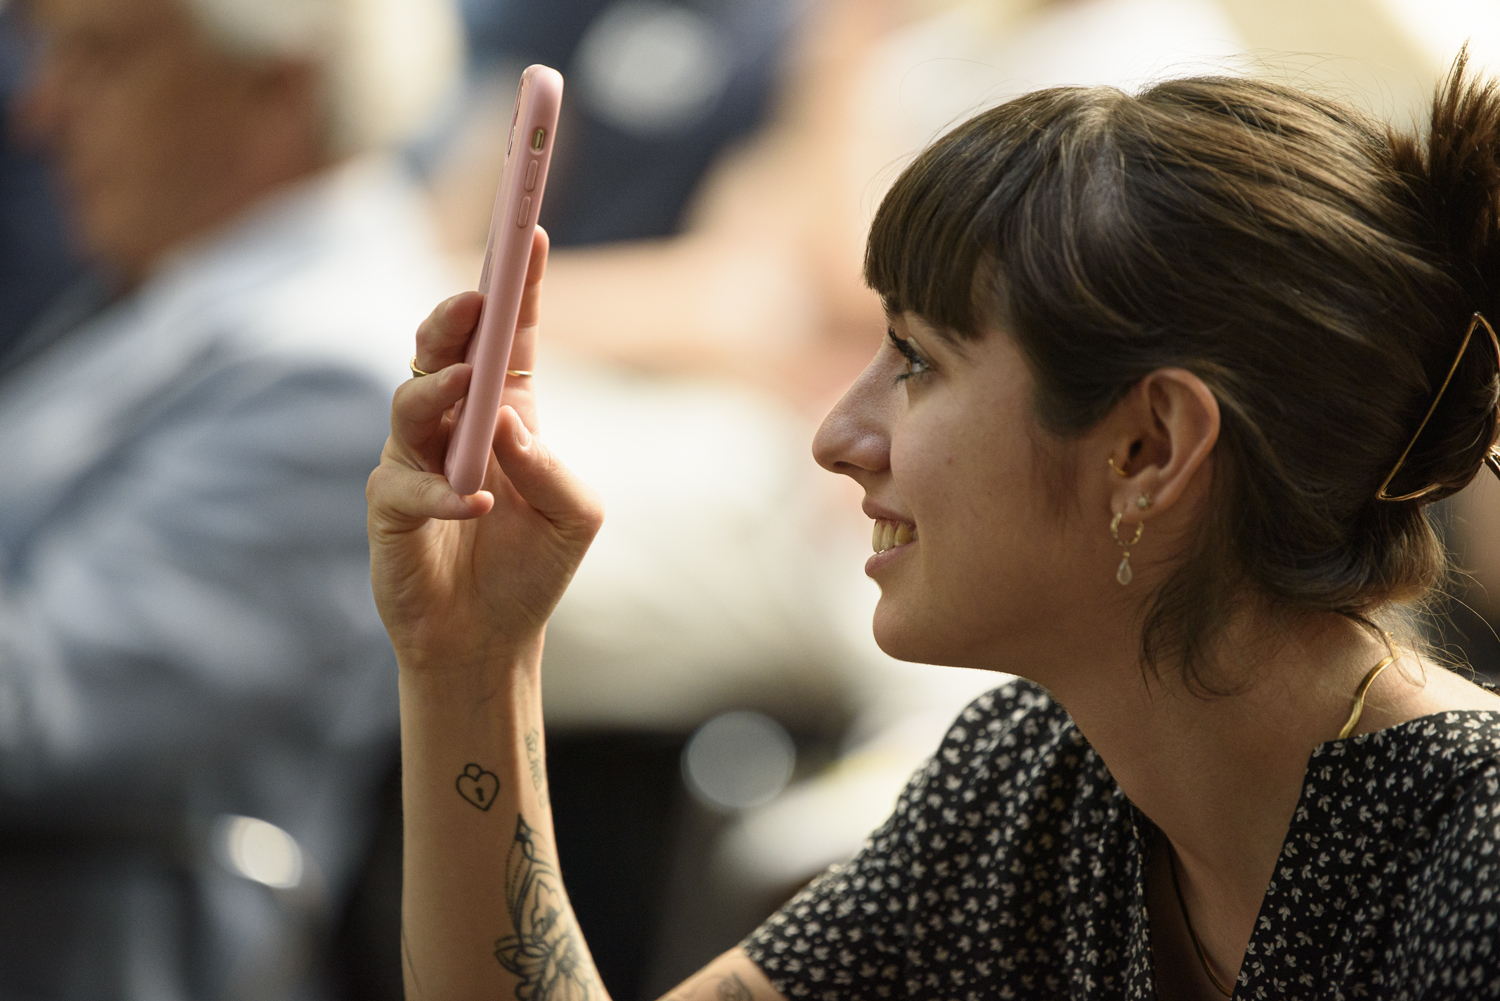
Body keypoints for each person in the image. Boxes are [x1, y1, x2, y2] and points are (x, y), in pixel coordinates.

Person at [368, 45, 1500, 1001]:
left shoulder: (1475, 854)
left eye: (915, 359)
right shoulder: (1024, 785)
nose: (836, 433)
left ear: (1149, 448)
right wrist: (471, 657)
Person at [0, 0, 459, 995]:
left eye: (100, 59)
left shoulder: (331, 366)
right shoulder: (171, 292)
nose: (41, 108)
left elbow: (41, 711)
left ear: (278, 89)